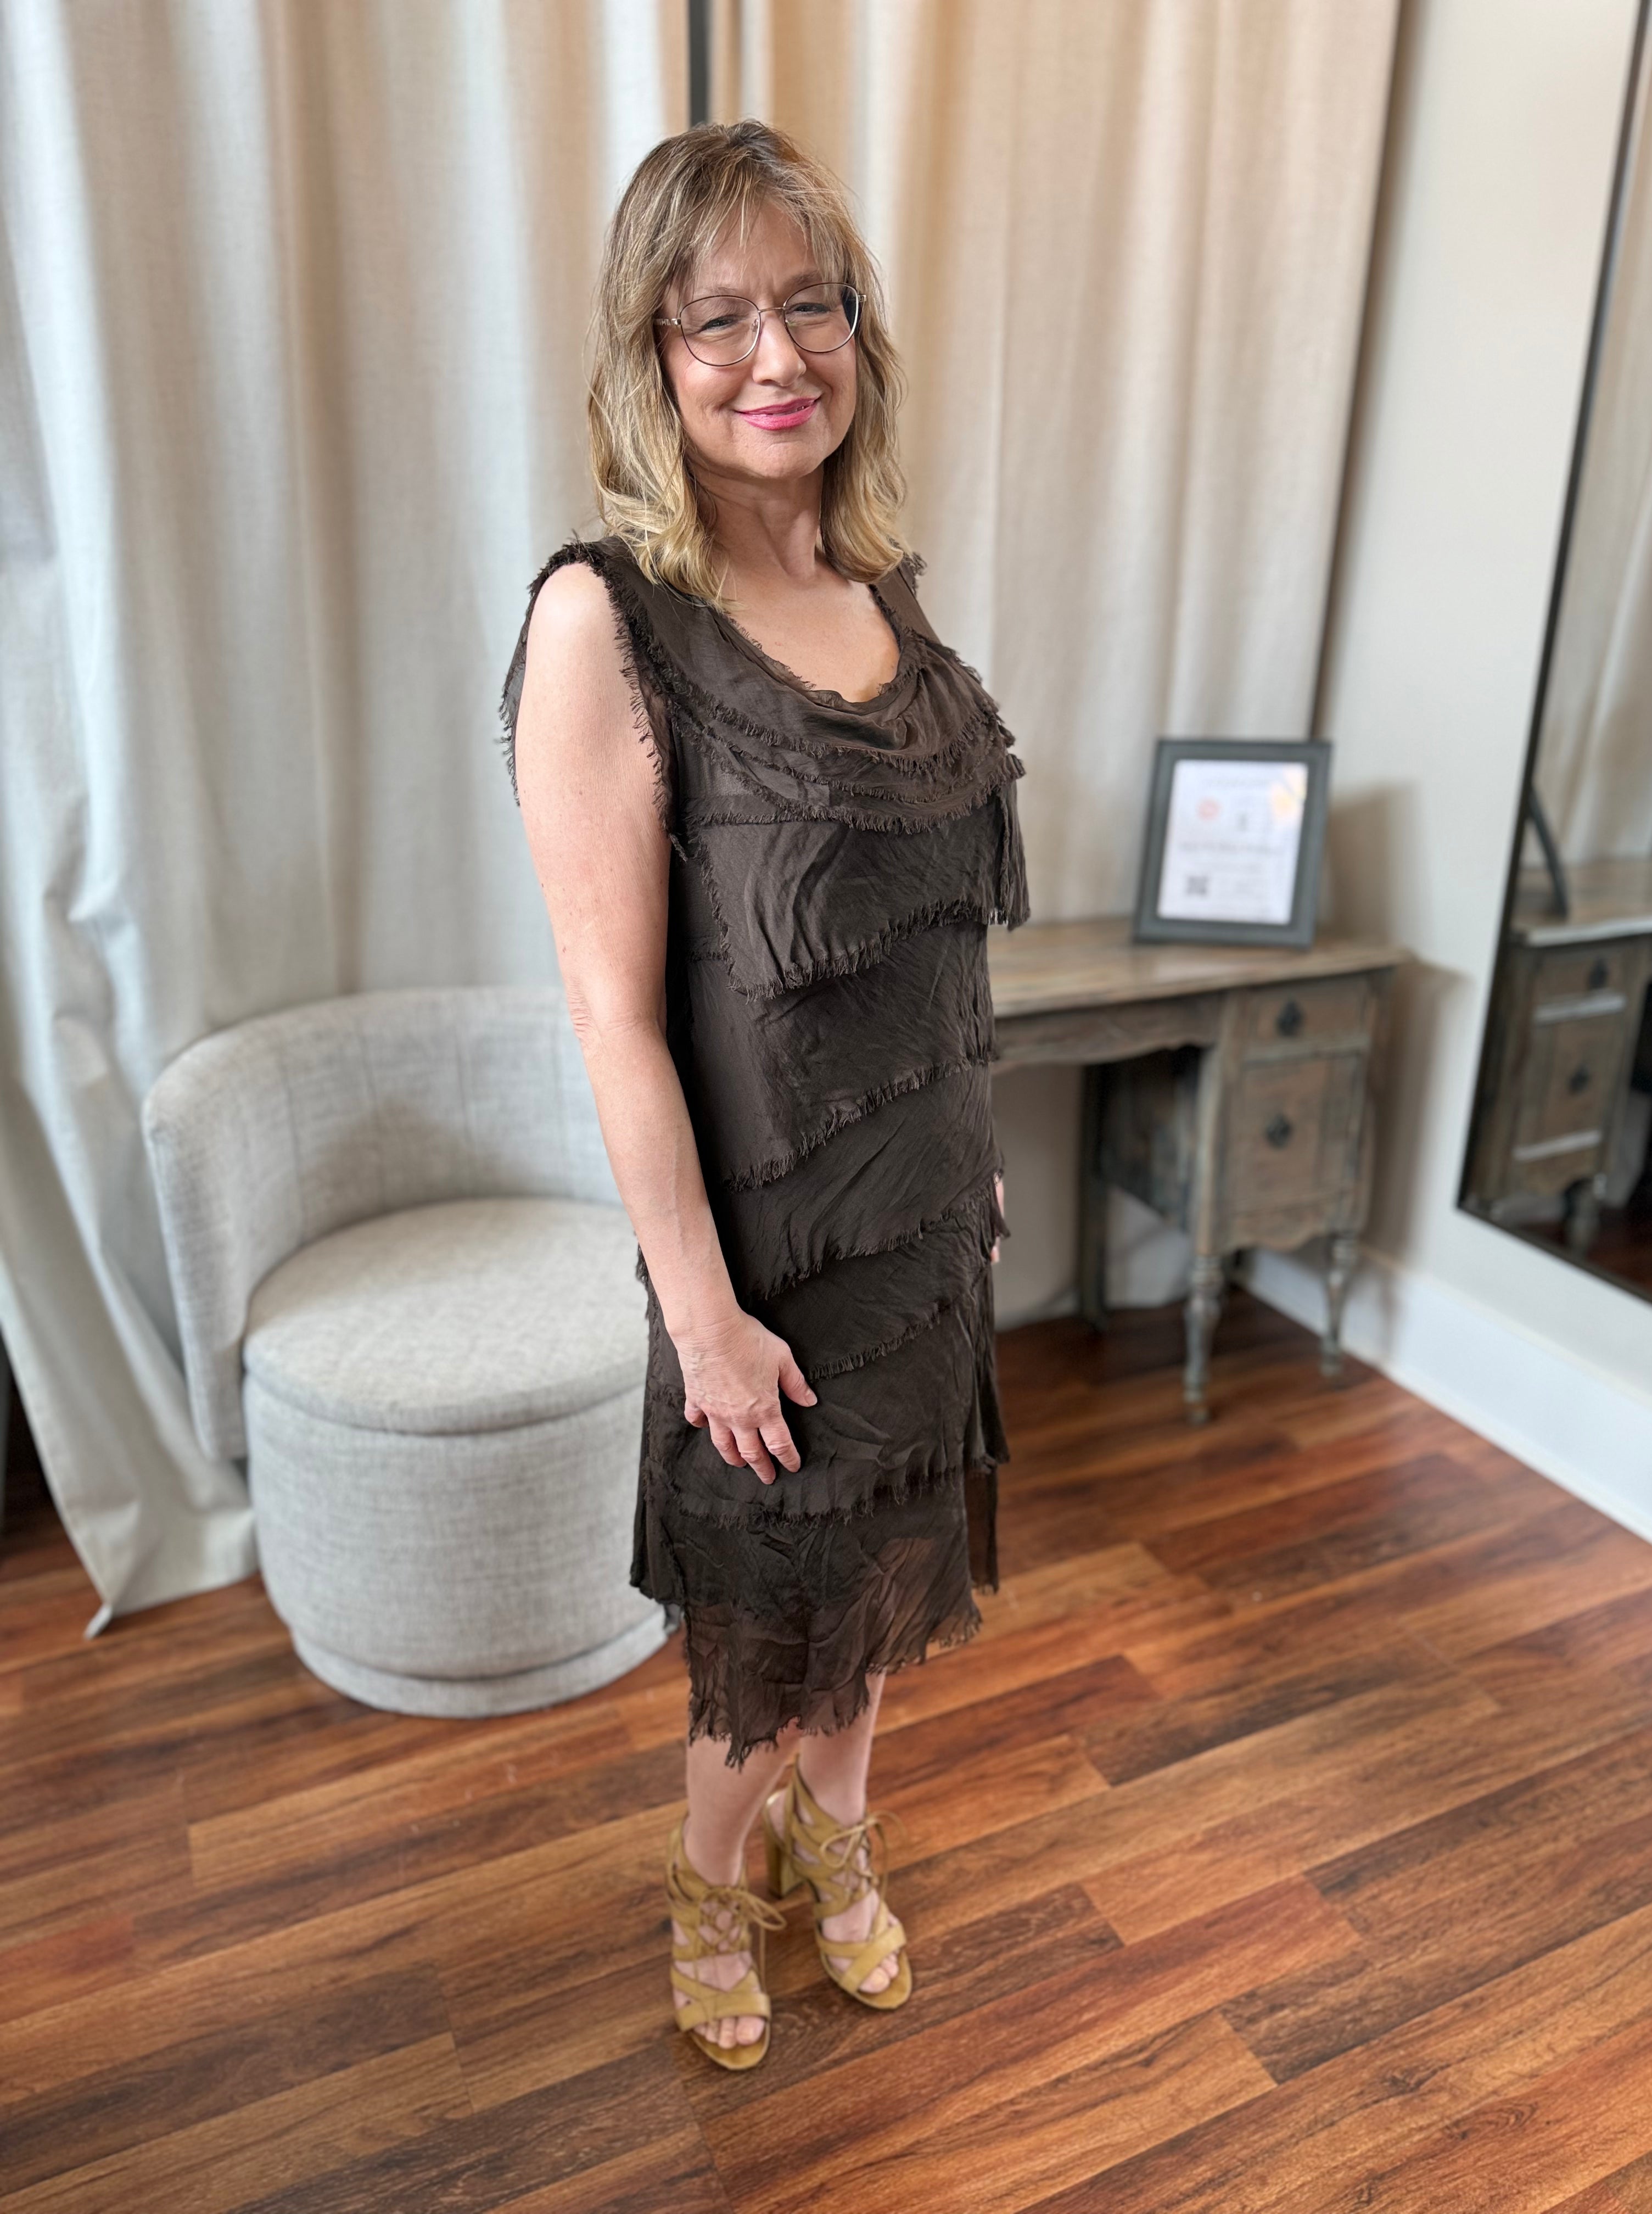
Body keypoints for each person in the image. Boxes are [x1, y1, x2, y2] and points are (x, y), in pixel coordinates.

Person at [499, 118, 1029, 2071]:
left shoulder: (886, 591)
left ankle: (846, 1839)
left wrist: (969, 1184)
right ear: (650, 353)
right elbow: (616, 1018)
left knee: (882, 1597)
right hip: (757, 1265)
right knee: (760, 1638)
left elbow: (936, 946)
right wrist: (703, 1316)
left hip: (920, 1232)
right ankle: (714, 1881)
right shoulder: (607, 621)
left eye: (810, 302)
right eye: (715, 317)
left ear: (858, 332)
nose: (774, 352)